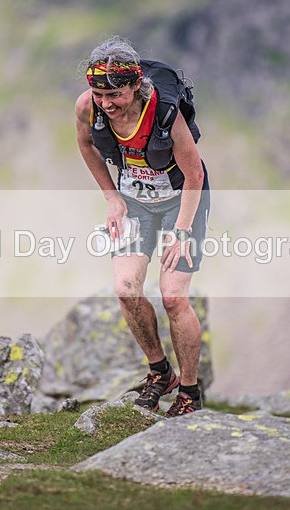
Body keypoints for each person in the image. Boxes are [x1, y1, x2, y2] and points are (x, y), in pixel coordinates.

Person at [75, 36, 210, 417]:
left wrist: (182, 230)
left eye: (115, 94)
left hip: (182, 198)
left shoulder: (165, 111)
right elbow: (87, 146)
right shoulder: (88, 107)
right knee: (125, 289)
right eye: (99, 94)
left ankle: (189, 391)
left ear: (136, 84)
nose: (107, 104)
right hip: (134, 200)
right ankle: (160, 371)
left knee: (173, 296)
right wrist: (112, 198)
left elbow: (195, 173)